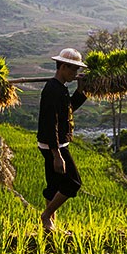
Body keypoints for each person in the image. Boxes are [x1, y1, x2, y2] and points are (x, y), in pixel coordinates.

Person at [37, 47, 87, 231]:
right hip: (54, 145)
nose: (76, 73)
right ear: (63, 67)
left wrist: (80, 91)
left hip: (54, 143)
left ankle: (50, 225)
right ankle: (46, 216)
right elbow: (50, 122)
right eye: (74, 69)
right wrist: (56, 154)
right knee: (73, 183)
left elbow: (68, 110)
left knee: (53, 185)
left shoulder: (60, 88)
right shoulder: (52, 90)